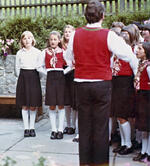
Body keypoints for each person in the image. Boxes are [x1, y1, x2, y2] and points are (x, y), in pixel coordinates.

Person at [64, 0, 138, 165]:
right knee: (101, 126)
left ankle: (85, 163)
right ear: (103, 16)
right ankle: (100, 163)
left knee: (84, 125)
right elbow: (129, 55)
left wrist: (76, 63)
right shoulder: (109, 35)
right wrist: (137, 75)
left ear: (85, 16)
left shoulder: (76, 34)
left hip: (81, 84)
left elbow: (68, 58)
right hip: (101, 85)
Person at [111, 24, 139, 155]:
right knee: (118, 116)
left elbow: (135, 67)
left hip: (125, 83)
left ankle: (128, 143)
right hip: (115, 82)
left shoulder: (129, 50)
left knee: (123, 115)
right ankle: (123, 143)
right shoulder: (115, 52)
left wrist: (135, 82)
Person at [15, 31, 43, 137]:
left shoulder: (37, 52)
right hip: (23, 77)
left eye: (29, 38)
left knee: (32, 105)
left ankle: (32, 127)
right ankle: (26, 128)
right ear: (22, 40)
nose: (27, 40)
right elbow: (17, 68)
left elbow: (40, 68)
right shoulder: (19, 53)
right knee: (25, 105)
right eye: (24, 38)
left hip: (34, 77)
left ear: (33, 40)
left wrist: (35, 77)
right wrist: (21, 77)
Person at [41, 31, 65, 139]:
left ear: (59, 40)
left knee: (60, 104)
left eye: (55, 39)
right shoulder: (45, 52)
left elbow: (70, 64)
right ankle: (53, 130)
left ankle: (60, 130)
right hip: (50, 77)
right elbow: (39, 66)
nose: (53, 41)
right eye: (51, 39)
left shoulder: (63, 52)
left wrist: (63, 72)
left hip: (60, 78)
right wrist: (47, 72)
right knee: (52, 104)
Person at [133, 42, 150, 162]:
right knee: (143, 127)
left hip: (147, 97)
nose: (137, 51)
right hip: (141, 96)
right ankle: (143, 151)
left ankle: (148, 152)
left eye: (140, 49)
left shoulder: (148, 66)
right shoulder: (140, 64)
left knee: (148, 125)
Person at [61, 25, 77, 138]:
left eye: (69, 32)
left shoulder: (76, 45)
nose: (67, 33)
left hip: (73, 73)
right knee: (66, 101)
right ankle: (68, 124)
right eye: (66, 32)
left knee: (74, 102)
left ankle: (74, 125)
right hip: (63, 73)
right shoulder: (60, 45)